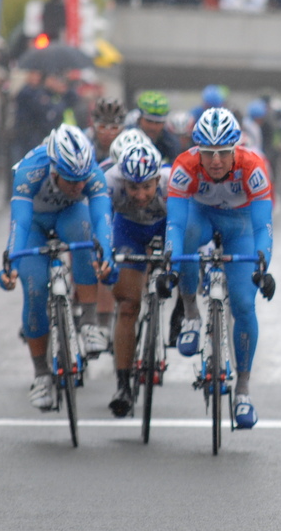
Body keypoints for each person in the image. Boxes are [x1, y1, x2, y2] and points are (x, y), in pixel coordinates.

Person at [164, 107, 276, 429]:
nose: (215, 161)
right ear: (198, 149)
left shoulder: (253, 167)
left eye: (223, 153)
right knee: (185, 241)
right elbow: (174, 222)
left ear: (235, 150)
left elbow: (262, 228)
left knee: (243, 303)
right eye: (208, 153)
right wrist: (170, 265)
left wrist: (263, 266)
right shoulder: (184, 166)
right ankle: (190, 314)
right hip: (199, 219)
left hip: (240, 227)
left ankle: (242, 389)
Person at [0, 124, 117, 410]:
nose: (78, 187)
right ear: (53, 172)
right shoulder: (31, 170)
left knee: (85, 232)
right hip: (35, 224)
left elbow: (103, 220)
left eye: (82, 181)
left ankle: (88, 323)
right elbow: (21, 223)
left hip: (69, 216)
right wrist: (10, 262)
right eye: (70, 181)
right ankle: (40, 375)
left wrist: (107, 255)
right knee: (35, 288)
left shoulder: (91, 173)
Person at [104, 141, 170, 417]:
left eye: (147, 187)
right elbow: (101, 226)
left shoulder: (171, 182)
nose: (141, 195)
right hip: (127, 230)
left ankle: (178, 314)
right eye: (133, 187)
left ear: (158, 179)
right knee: (128, 306)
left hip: (165, 226)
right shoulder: (109, 183)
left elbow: (187, 226)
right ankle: (122, 386)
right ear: (122, 181)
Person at [134, 90, 179, 162]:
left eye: (158, 122)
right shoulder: (126, 138)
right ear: (139, 119)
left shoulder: (171, 144)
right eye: (149, 121)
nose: (153, 127)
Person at [90, 97, 126, 169]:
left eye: (114, 128)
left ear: (122, 130)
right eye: (102, 127)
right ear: (93, 128)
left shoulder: (126, 146)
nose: (107, 133)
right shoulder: (85, 141)